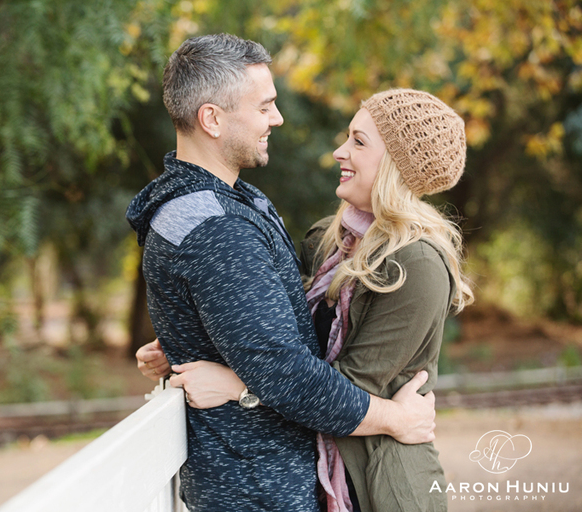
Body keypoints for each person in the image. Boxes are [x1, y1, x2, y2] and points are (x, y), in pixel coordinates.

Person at [126, 34, 437, 512]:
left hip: (267, 478)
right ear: (212, 119)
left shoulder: (232, 203)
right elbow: (285, 372)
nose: (277, 118)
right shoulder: (217, 227)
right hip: (258, 489)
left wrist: (199, 341)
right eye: (264, 106)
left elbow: (266, 328)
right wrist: (396, 419)